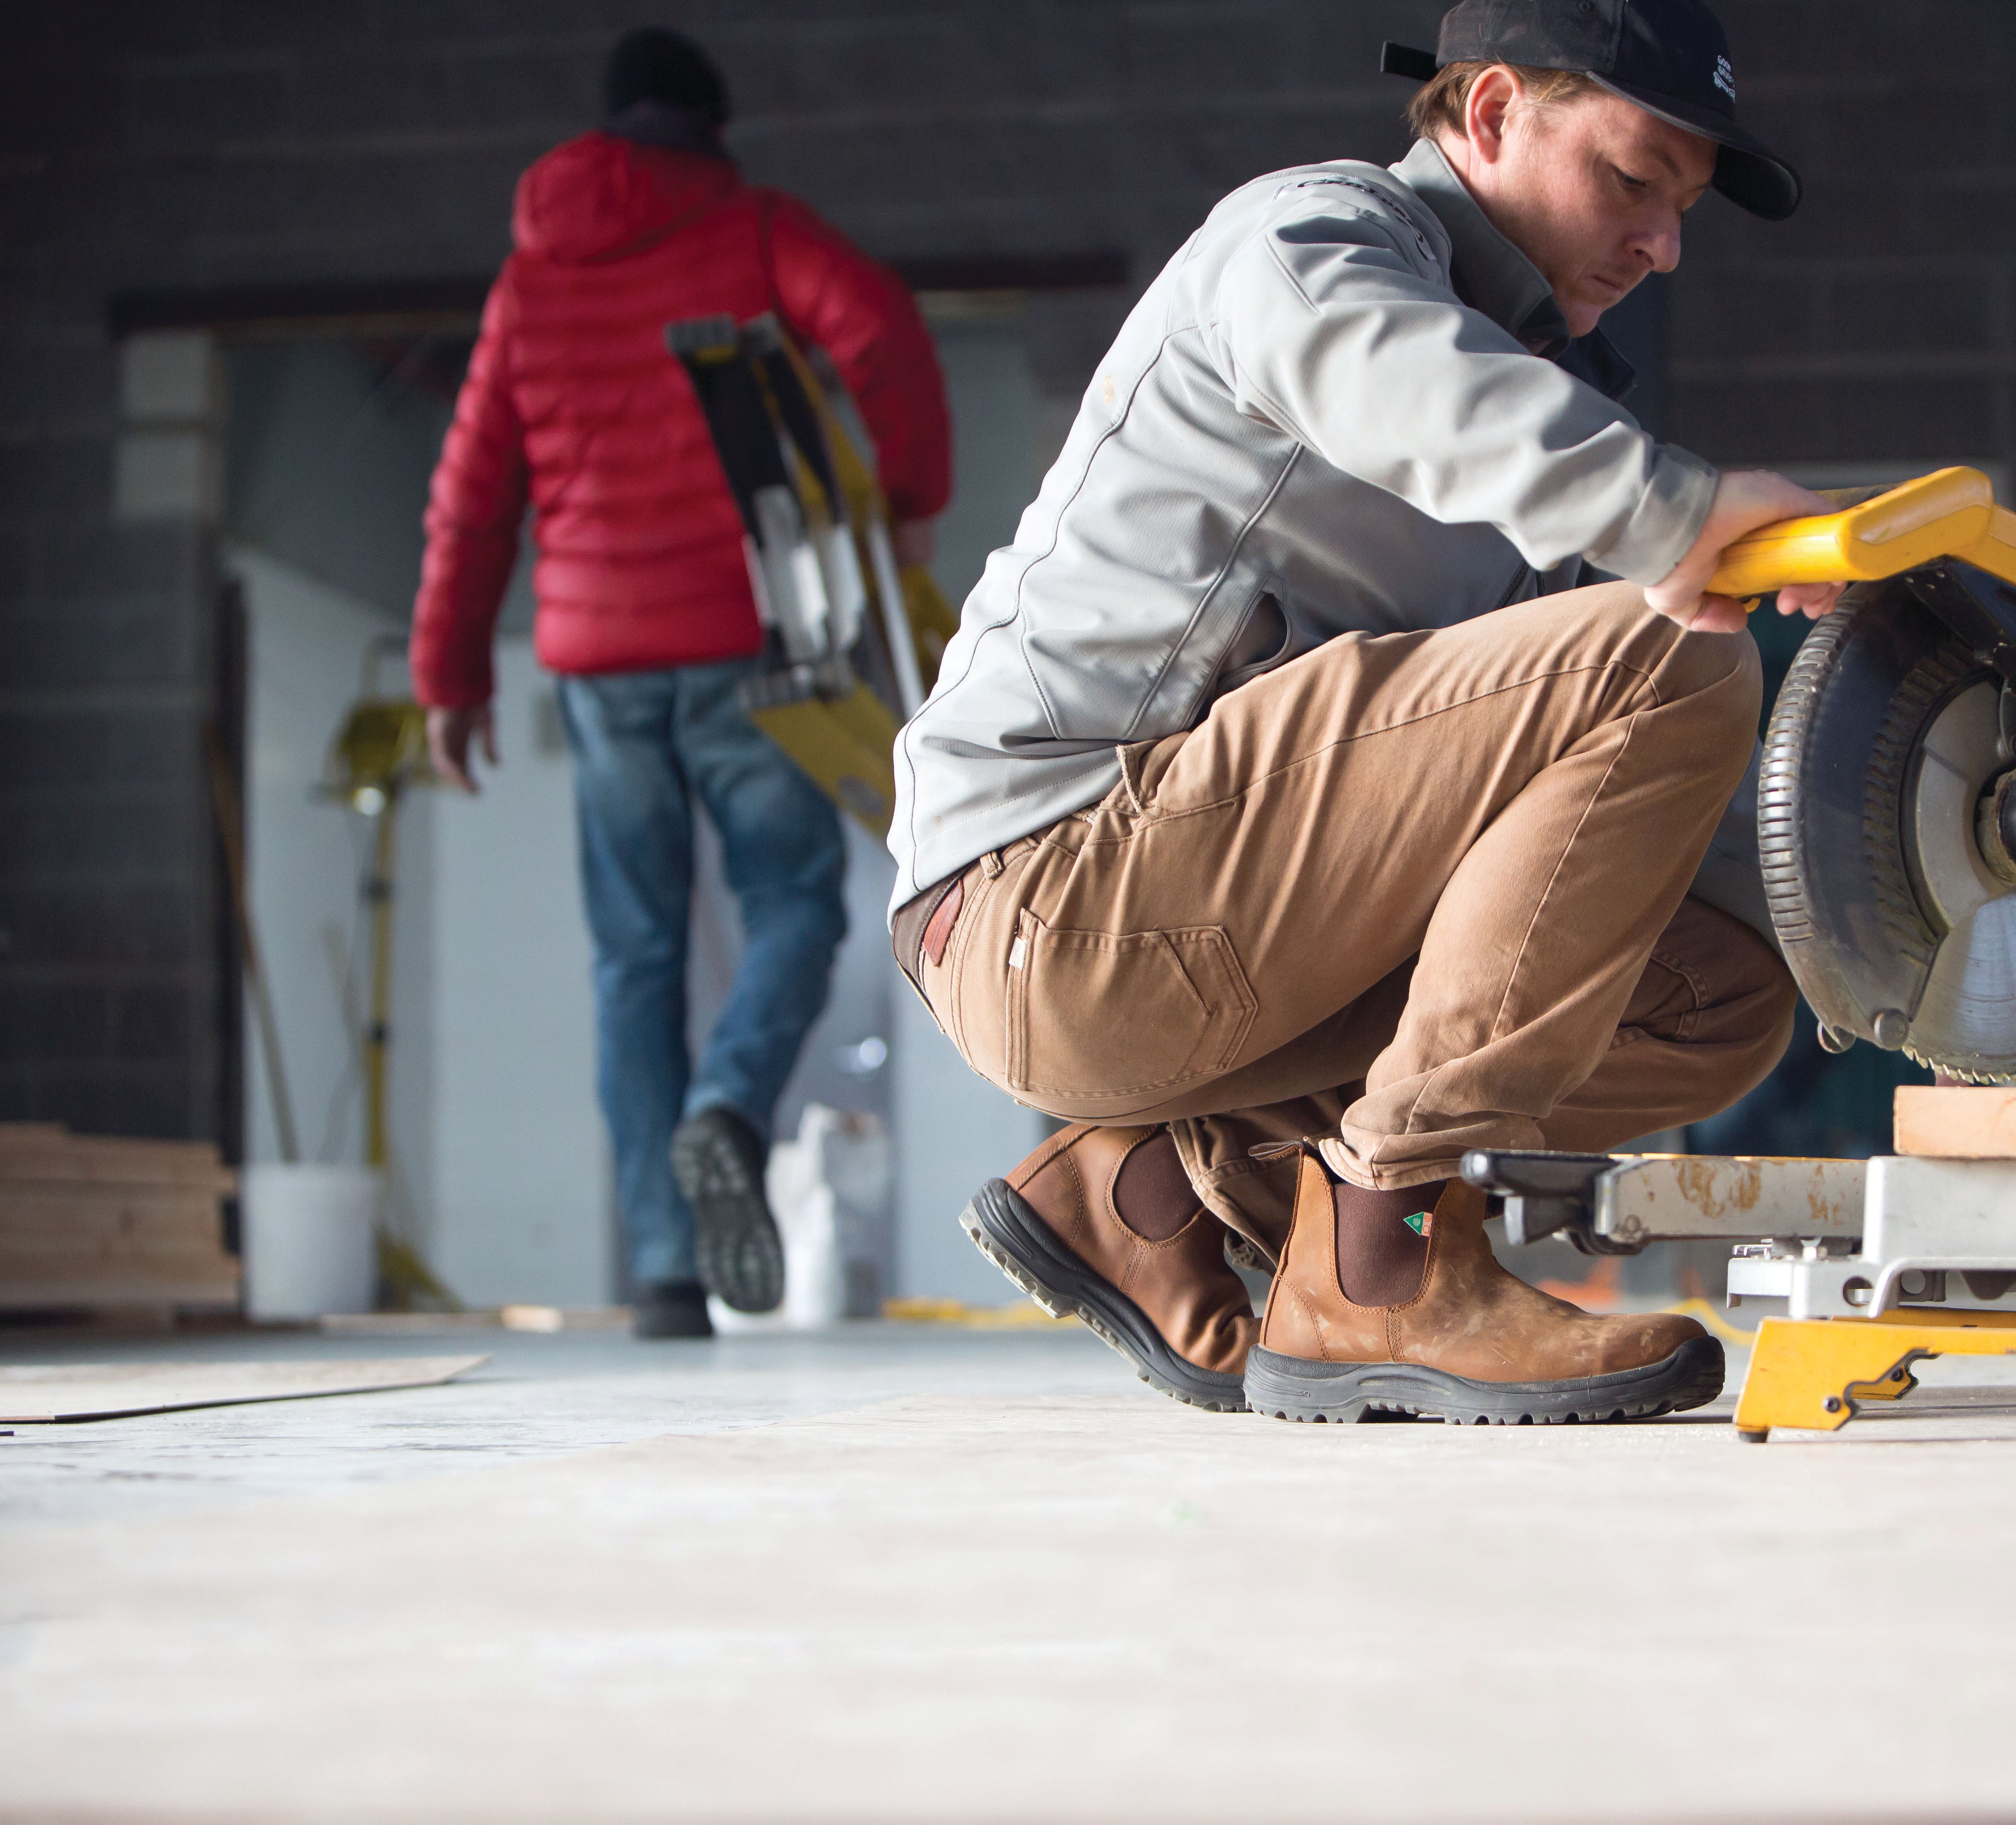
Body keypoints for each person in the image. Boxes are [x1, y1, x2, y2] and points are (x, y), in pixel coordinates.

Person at [889, 0, 1839, 1421]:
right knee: (1668, 654)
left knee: (1715, 992)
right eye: (1636, 180)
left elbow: (1589, 848)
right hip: (1048, 885)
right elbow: (1404, 385)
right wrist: (1676, 513)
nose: (1663, 244)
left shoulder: (1540, 423)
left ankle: (1151, 1182)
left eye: (1686, 210)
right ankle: (1384, 1257)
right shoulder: (1313, 243)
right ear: (1497, 112)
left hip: (1201, 924)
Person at [411, 27, 953, 1338]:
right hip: (744, 640)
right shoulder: (751, 228)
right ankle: (729, 1104)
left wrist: (449, 673)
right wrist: (905, 501)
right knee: (795, 908)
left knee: (633, 959)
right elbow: (876, 326)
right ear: (713, 127)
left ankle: (663, 1270)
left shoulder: (527, 281)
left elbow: (473, 495)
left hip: (597, 664)